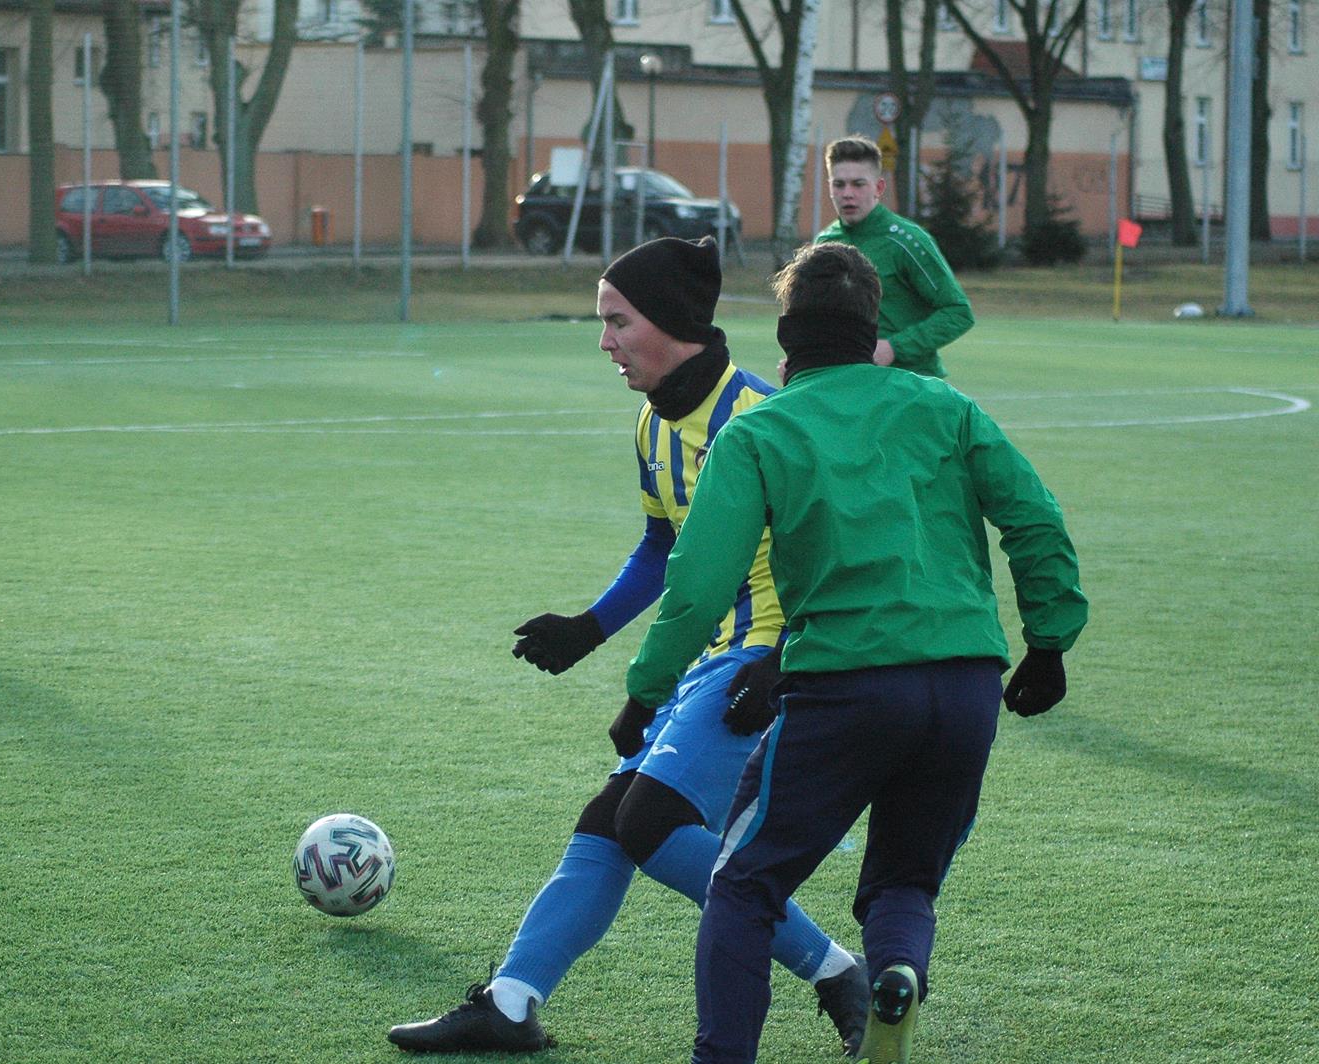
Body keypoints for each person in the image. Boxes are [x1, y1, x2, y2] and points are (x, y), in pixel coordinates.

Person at [387, 236, 869, 1057]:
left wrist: (781, 659)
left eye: (617, 321)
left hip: (766, 660)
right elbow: (661, 547)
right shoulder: (652, 422)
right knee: (611, 821)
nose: (603, 340)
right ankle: (510, 1002)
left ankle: (833, 968)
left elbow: (839, 555)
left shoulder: (761, 417)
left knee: (648, 822)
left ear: (672, 324)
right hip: (704, 658)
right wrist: (588, 629)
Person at [621, 241, 1087, 1064]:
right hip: (966, 684)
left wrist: (646, 689)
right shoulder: (946, 408)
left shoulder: (762, 429)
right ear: (872, 327)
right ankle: (896, 972)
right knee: (904, 879)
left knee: (744, 883)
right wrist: (1047, 642)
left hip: (846, 687)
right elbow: (1035, 519)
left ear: (786, 335)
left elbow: (697, 584)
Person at [813, 134, 974, 378]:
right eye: (839, 184)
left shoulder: (906, 240)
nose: (847, 193)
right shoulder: (823, 244)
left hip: (910, 385)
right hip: (851, 384)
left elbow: (958, 312)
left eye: (858, 184)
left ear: (878, 188)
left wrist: (895, 348)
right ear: (830, 187)